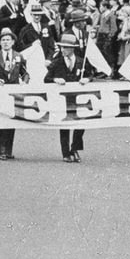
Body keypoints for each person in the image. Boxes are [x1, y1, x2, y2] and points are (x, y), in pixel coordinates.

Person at [0, 26, 27, 159]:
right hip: (0, 92)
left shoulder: (19, 56)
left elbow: (25, 73)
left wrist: (24, 81)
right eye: (3, 40)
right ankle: (1, 148)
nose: (6, 42)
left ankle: (8, 149)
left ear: (13, 42)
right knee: (1, 119)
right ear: (0, 42)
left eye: (8, 40)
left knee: (12, 120)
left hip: (13, 93)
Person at [45, 32, 87, 163]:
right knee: (64, 126)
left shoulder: (81, 62)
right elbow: (46, 79)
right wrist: (55, 79)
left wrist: (87, 79)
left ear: (72, 48)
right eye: (61, 47)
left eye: (66, 47)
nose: (63, 50)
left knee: (80, 124)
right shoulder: (57, 62)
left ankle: (75, 148)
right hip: (62, 100)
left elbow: (90, 74)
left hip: (78, 99)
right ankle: (65, 153)